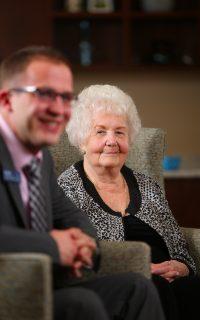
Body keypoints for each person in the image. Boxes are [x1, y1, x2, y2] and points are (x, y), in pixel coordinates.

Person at [0, 47, 166, 320]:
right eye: (44, 94)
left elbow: (72, 218)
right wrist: (53, 245)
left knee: (138, 288)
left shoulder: (40, 160)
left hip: (44, 288)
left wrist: (83, 243)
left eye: (65, 98)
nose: (58, 109)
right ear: (7, 100)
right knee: (81, 303)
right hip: (8, 290)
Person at [58, 84, 200, 320]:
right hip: (120, 286)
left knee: (194, 288)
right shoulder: (67, 188)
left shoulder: (146, 185)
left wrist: (181, 267)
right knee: (153, 288)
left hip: (167, 281)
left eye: (120, 132)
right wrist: (140, 268)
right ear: (82, 140)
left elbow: (180, 249)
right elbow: (73, 261)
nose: (112, 141)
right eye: (100, 132)